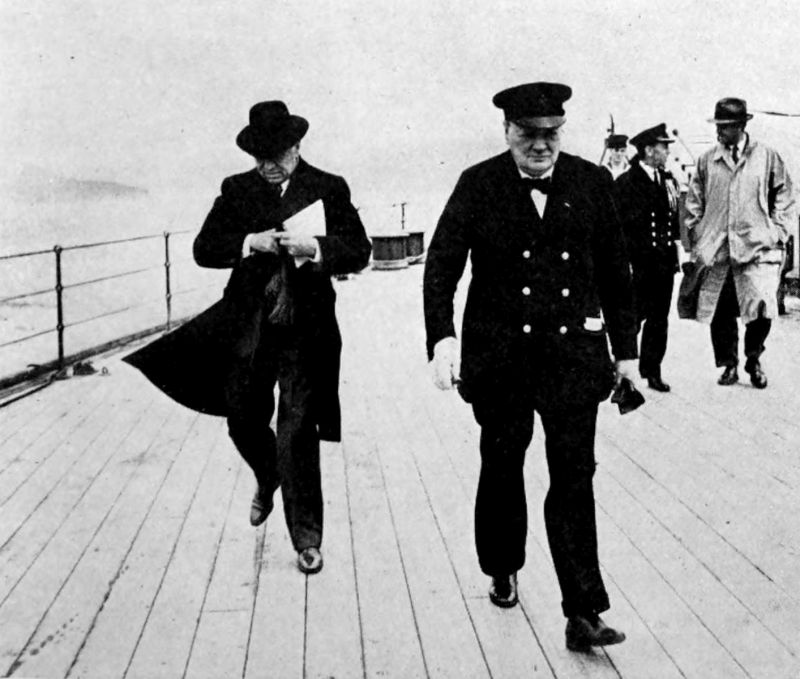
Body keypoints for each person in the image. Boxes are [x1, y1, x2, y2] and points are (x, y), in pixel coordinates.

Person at [423, 82, 638, 651]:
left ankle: (583, 610)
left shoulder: (591, 182)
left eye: (551, 134)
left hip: (572, 360)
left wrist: (629, 356)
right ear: (507, 132)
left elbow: (618, 275)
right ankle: (501, 563)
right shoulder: (478, 184)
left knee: (573, 477)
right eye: (528, 134)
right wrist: (443, 341)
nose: (541, 146)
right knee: (502, 461)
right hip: (500, 360)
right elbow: (441, 265)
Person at [124, 101, 371, 574]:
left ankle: (307, 537)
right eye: (259, 156)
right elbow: (203, 249)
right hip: (248, 326)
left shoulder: (328, 187)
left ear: (297, 146)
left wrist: (315, 248)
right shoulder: (236, 190)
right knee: (241, 416)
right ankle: (266, 472)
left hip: (305, 327)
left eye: (276, 153)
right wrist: (247, 243)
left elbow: (359, 250)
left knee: (297, 427)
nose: (267, 165)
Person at [684, 98, 795, 388]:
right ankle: (728, 365)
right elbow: (693, 200)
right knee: (721, 311)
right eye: (718, 126)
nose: (719, 132)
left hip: (755, 247)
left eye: (726, 127)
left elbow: (784, 193)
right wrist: (697, 232)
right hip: (718, 249)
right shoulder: (707, 160)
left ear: (741, 126)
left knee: (760, 308)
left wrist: (777, 231)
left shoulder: (767, 156)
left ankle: (753, 359)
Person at [615, 123, 681, 392]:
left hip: (663, 264)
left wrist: (677, 255)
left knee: (659, 320)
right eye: (664, 146)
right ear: (649, 150)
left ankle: (652, 370)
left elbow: (672, 220)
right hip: (638, 264)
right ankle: (623, 365)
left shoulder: (667, 180)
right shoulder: (626, 183)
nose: (667, 151)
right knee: (632, 317)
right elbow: (616, 229)